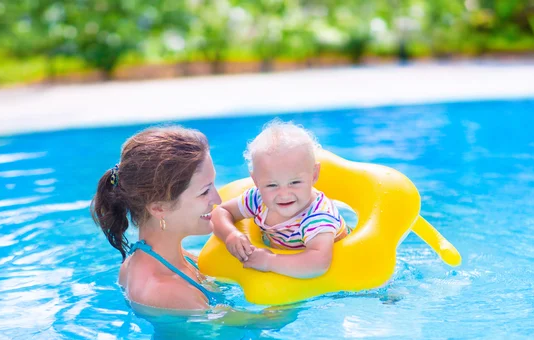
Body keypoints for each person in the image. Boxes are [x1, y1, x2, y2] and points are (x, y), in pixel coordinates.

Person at [91, 126, 223, 310]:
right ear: (159, 208)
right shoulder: (171, 293)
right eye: (204, 192)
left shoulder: (149, 261)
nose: (218, 199)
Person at [211, 120, 350, 279]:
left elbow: (318, 263)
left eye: (295, 182)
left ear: (314, 174)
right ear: (256, 180)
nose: (284, 194)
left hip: (337, 269)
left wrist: (269, 261)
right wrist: (230, 234)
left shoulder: (318, 217)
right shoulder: (258, 199)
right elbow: (221, 211)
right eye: (272, 185)